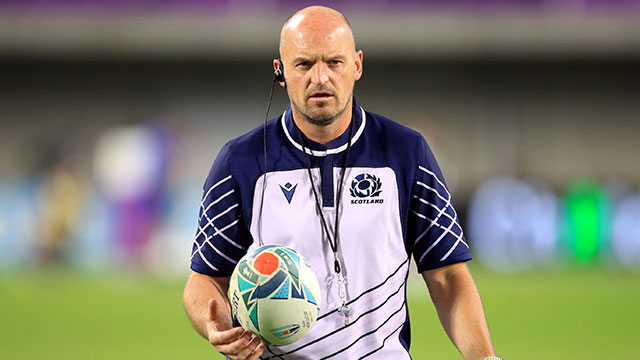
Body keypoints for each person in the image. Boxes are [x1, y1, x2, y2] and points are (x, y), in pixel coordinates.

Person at [183, 5, 500, 360]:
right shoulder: (239, 162)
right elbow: (206, 279)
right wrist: (217, 326)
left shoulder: (406, 153)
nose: (320, 78)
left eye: (334, 62)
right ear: (281, 71)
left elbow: (448, 278)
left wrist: (486, 359)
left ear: (357, 65)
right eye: (304, 64)